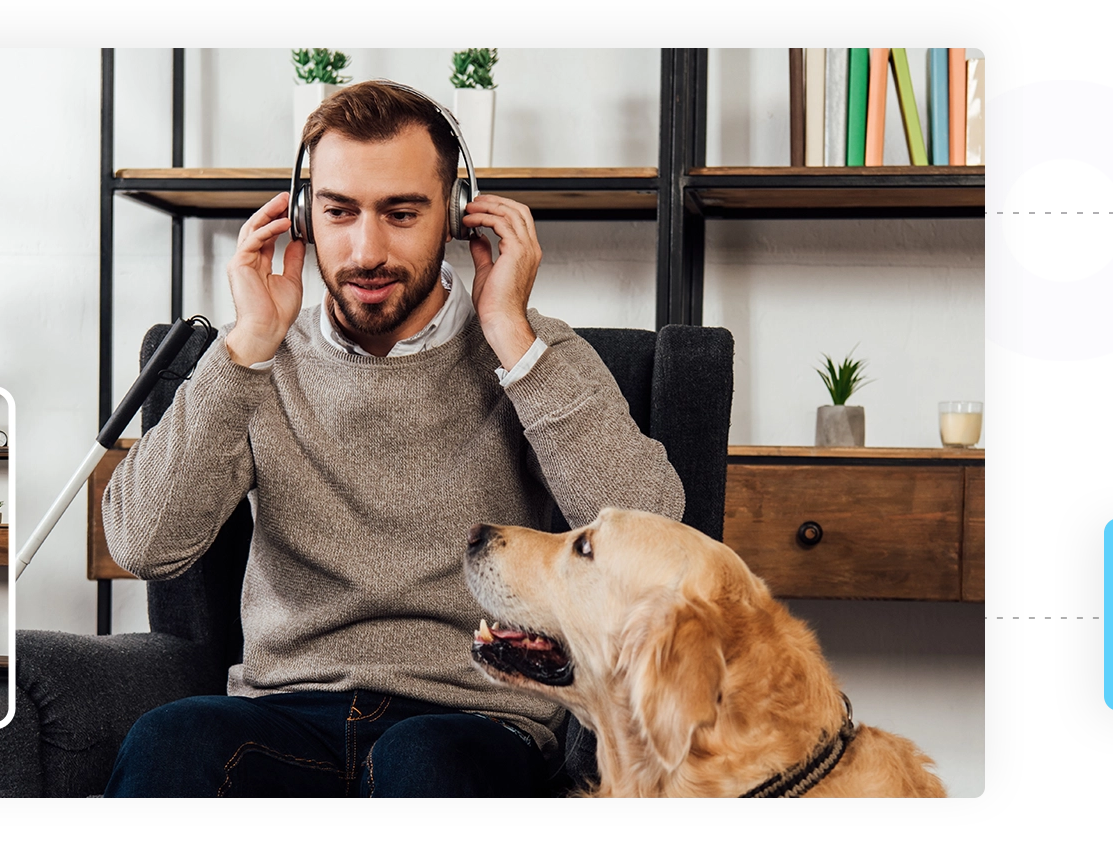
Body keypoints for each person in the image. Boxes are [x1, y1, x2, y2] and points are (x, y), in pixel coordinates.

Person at [94, 80, 685, 797]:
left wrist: (512, 338)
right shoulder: (254, 361)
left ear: (459, 218)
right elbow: (144, 544)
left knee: (420, 760)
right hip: (286, 711)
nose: (367, 249)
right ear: (304, 217)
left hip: (473, 719)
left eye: (401, 213)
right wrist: (247, 345)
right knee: (170, 740)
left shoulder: (536, 352)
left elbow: (654, 527)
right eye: (340, 212)